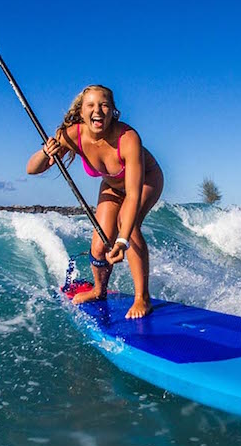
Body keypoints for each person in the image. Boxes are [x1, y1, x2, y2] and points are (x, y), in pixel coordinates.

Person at [26, 85, 163, 319]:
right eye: (91, 105)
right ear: (81, 112)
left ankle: (143, 298)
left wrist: (121, 241)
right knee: (99, 245)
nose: (97, 110)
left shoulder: (128, 138)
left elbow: (132, 194)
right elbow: (32, 169)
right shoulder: (71, 134)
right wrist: (46, 153)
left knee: (127, 228)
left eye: (104, 105)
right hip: (111, 184)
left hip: (145, 181)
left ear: (113, 111)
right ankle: (99, 290)